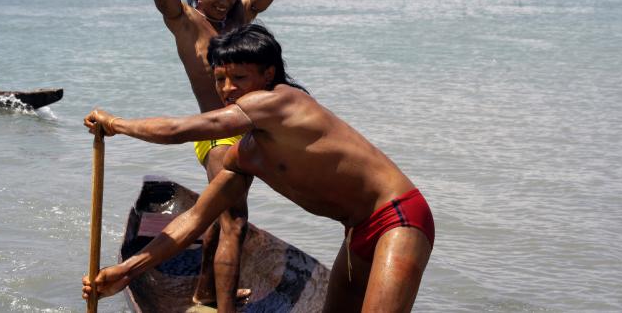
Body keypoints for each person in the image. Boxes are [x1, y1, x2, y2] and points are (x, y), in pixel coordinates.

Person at [82, 24, 435, 312]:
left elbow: (179, 130)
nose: (228, 89)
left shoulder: (282, 100)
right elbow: (193, 221)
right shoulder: (245, 154)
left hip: (398, 217)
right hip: (357, 230)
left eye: (239, 78)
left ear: (268, 74)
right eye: (220, 79)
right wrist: (127, 271)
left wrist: (115, 123)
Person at [128, 0, 305, 310]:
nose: (225, 4)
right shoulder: (184, 22)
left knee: (222, 217)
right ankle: (222, 305)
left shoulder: (243, 15)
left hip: (250, 132)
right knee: (235, 221)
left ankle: (205, 288)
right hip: (215, 135)